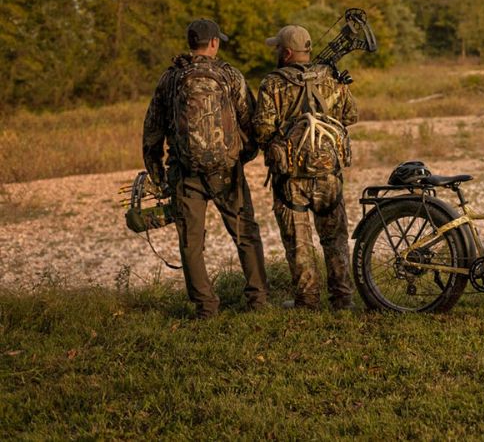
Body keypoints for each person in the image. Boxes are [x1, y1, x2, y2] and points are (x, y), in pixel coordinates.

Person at [142, 19, 269, 319]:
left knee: (191, 242)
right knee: (245, 234)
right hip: (226, 171)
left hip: (185, 172)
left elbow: (152, 128)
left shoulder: (170, 78)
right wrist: (241, 157)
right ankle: (258, 300)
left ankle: (206, 306)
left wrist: (156, 170)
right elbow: (249, 120)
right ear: (214, 43)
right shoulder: (229, 75)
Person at [254, 25, 359, 310]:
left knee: (299, 243)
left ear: (286, 53)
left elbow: (262, 130)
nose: (276, 52)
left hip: (291, 180)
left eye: (277, 48)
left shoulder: (271, 84)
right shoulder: (331, 77)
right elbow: (350, 116)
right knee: (335, 238)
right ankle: (342, 298)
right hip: (328, 175)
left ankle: (308, 300)